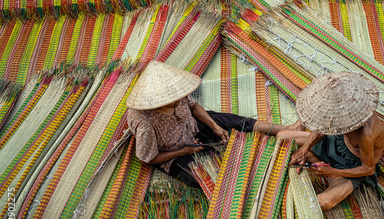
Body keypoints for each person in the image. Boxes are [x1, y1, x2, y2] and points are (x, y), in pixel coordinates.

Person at [126, 61, 300, 189]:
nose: (179, 101)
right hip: (175, 153)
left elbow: (193, 106)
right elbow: (147, 158)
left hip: (194, 126)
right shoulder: (146, 125)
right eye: (173, 102)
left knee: (237, 123)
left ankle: (288, 129)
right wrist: (183, 151)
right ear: (156, 103)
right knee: (207, 178)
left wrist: (213, 125)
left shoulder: (176, 94)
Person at [277, 72, 384, 210]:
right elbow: (325, 124)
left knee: (323, 202)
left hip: (353, 164)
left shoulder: (366, 134)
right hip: (338, 142)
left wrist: (333, 172)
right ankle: (313, 158)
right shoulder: (340, 113)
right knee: (282, 135)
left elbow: (368, 169)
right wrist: (304, 148)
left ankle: (326, 172)